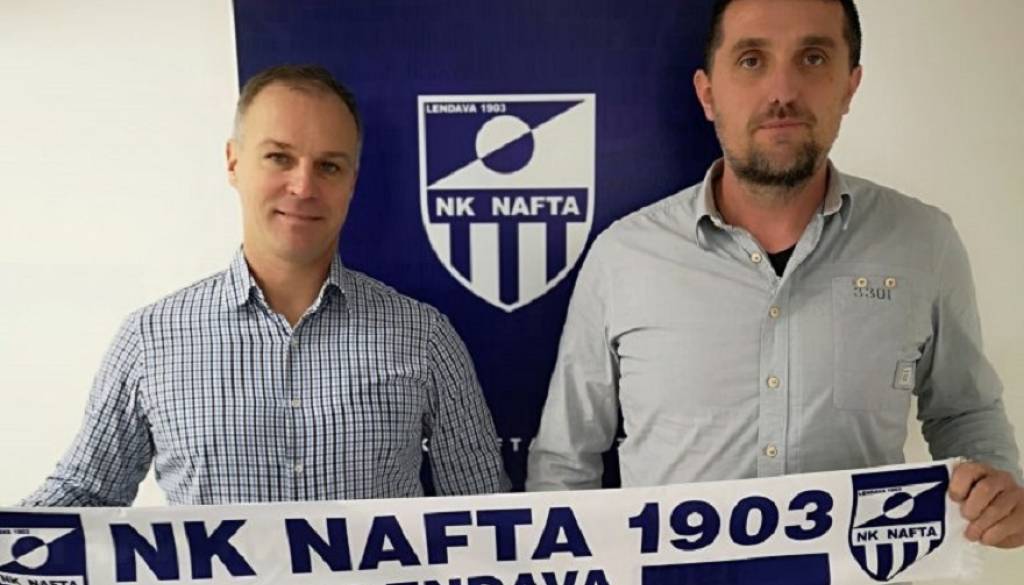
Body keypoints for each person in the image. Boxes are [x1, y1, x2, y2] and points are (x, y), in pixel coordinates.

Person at [527, 0, 1023, 549]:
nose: (782, 91)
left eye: (813, 58)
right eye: (751, 60)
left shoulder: (923, 244)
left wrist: (999, 489)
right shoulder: (624, 257)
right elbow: (565, 463)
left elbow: (964, 411)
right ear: (707, 94)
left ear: (850, 86)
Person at [23, 65, 509, 506]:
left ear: (352, 182)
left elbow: (486, 511)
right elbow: (84, 494)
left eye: (329, 166)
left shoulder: (424, 337)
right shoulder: (149, 340)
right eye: (279, 157)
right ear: (233, 163)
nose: (303, 187)